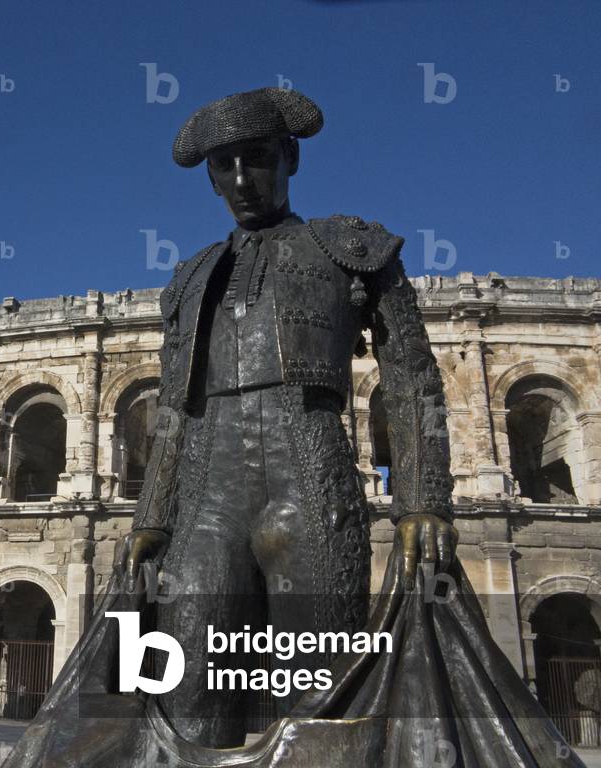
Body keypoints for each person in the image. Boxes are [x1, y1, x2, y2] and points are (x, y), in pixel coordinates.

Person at [121, 86, 458, 748]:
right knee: (185, 699)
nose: (243, 180)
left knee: (315, 699)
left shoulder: (352, 248)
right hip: (206, 503)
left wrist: (422, 500)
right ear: (211, 177)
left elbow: (412, 378)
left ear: (290, 159)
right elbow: (172, 407)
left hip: (312, 489)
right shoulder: (191, 278)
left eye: (258, 158)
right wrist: (152, 516)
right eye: (226, 167)